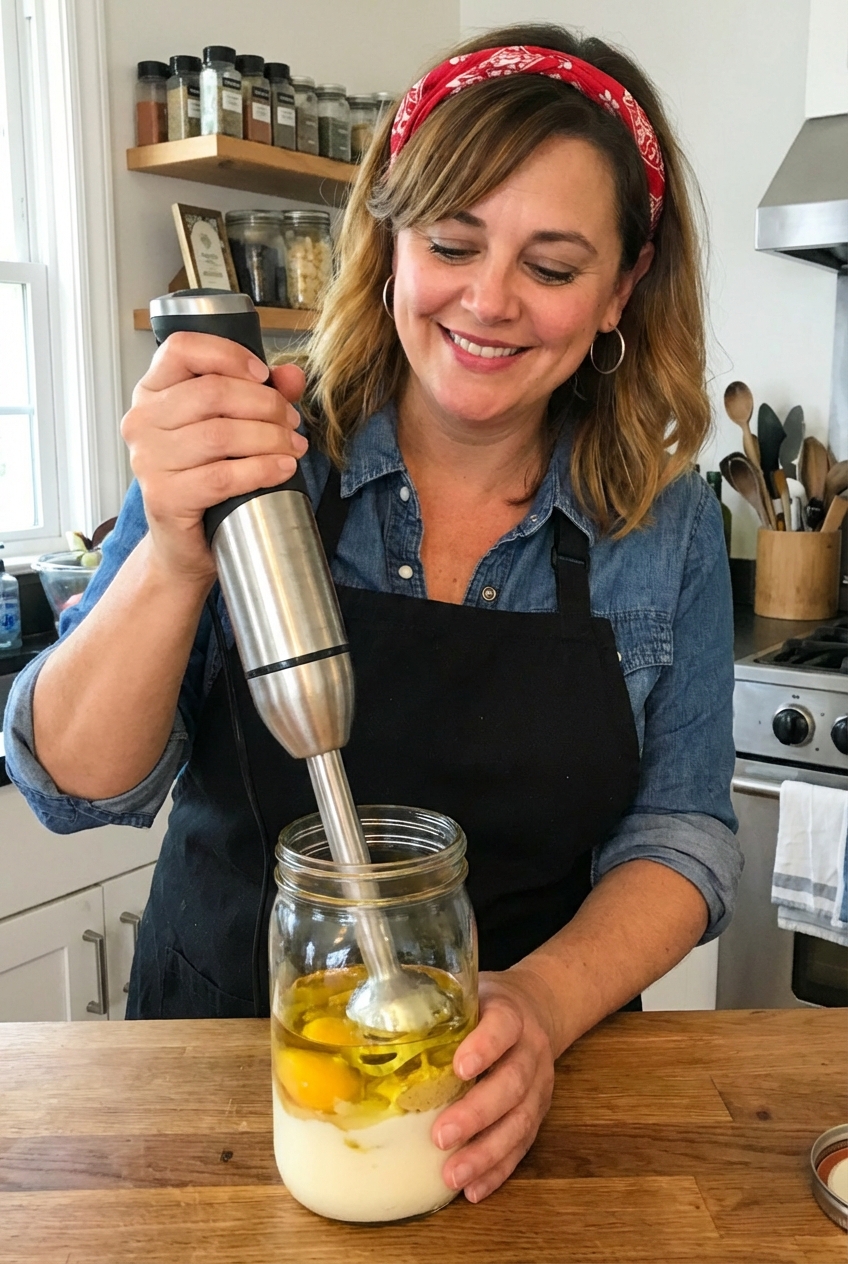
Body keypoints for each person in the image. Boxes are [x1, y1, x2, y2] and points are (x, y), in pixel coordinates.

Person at [5, 24, 741, 1204]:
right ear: (388, 242)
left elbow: (681, 836)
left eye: (550, 267)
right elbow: (77, 786)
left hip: (498, 1101)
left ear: (621, 288)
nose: (488, 301)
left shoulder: (667, 526)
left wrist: (540, 1006)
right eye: (452, 241)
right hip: (221, 1086)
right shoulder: (253, 453)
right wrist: (176, 551)